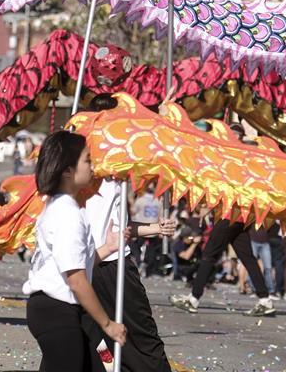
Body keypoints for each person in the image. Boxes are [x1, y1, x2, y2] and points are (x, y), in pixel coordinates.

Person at [81, 91, 176, 372]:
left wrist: (156, 228)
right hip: (91, 266)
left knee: (140, 336)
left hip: (115, 265)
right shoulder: (82, 172)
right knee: (95, 341)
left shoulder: (119, 174)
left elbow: (119, 228)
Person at [23, 130, 127, 371]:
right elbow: (76, 279)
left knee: (103, 363)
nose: (93, 166)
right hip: (57, 311)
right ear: (68, 170)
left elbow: (79, 263)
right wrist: (108, 324)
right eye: (87, 160)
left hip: (70, 313)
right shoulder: (67, 213)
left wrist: (109, 247)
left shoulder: (65, 208)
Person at [169, 218, 277, 316]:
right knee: (248, 259)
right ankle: (265, 300)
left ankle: (193, 299)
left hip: (228, 216)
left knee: (209, 256)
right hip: (242, 219)